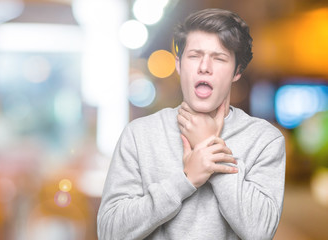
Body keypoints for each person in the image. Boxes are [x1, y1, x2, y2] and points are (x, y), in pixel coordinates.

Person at [97, 8, 286, 240]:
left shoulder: (265, 140)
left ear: (237, 71)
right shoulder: (139, 134)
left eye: (219, 58)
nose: (204, 67)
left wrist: (209, 146)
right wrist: (185, 180)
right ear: (179, 64)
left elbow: (261, 232)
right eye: (195, 55)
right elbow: (109, 232)